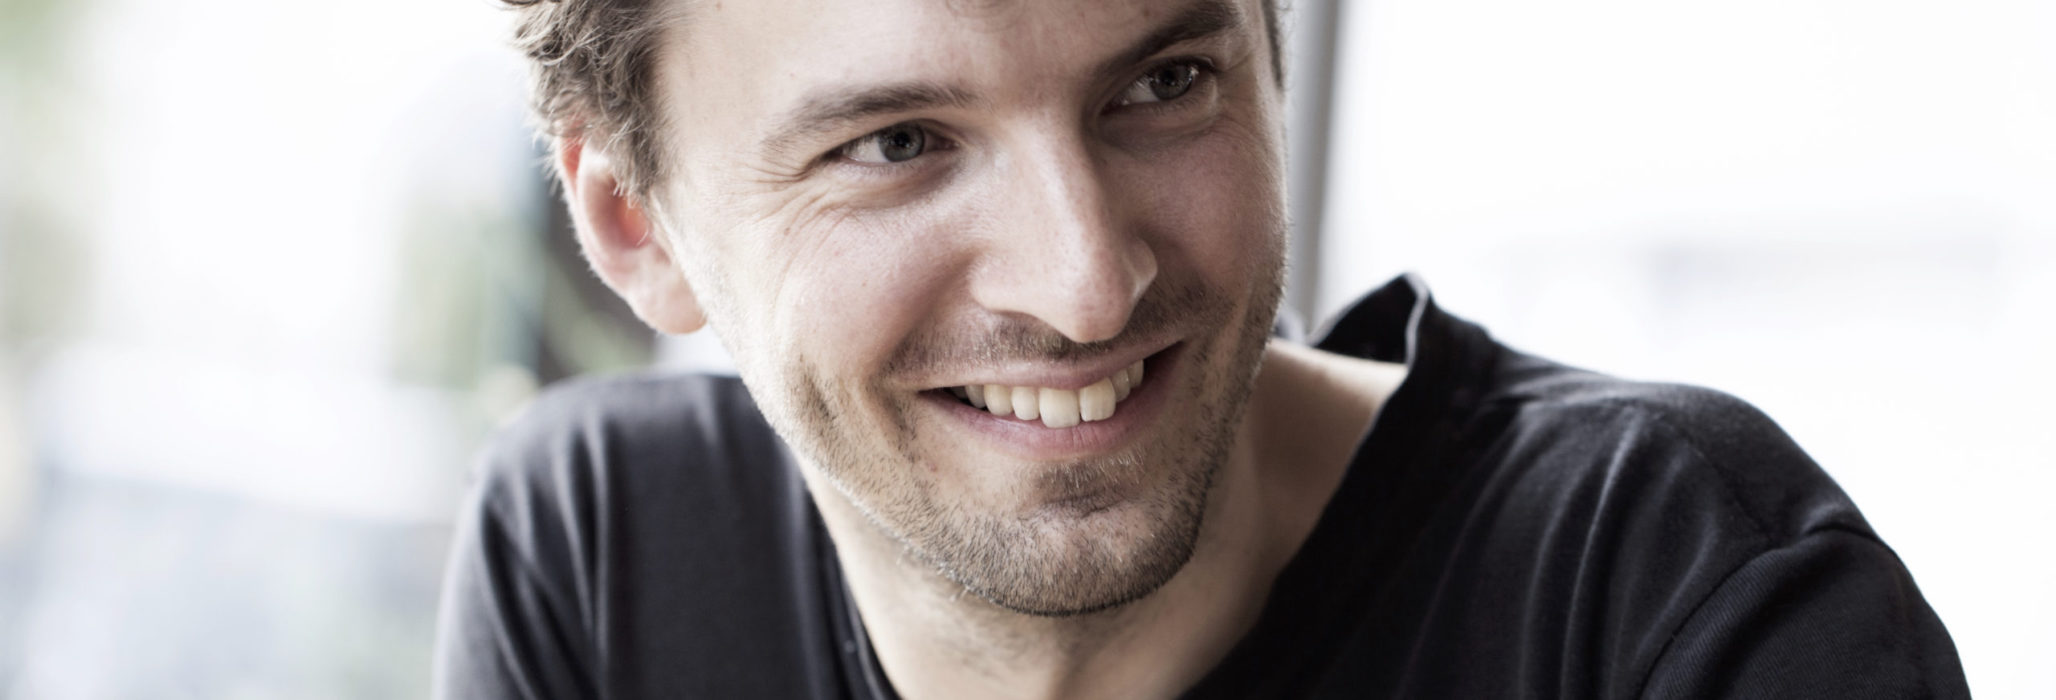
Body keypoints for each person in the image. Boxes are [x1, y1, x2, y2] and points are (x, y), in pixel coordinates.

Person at [431, 0, 1970, 697]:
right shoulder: (606, 557)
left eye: (1163, 83)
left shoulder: (1668, 596)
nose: (1089, 287)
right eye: (898, 142)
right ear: (633, 224)